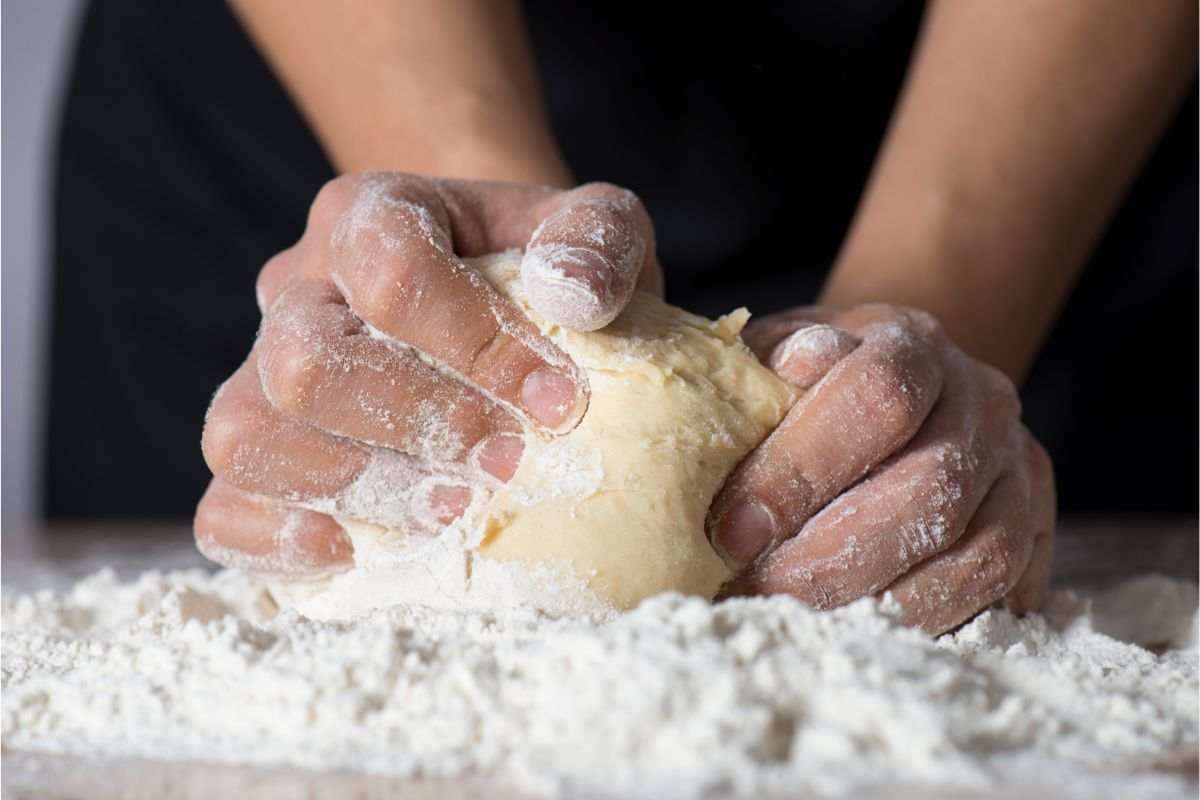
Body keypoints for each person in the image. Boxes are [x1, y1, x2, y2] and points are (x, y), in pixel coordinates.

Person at [47, 2, 1197, 632]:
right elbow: (463, 290)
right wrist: (474, 265)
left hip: (1033, 128)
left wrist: (922, 342)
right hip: (338, 85)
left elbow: (911, 402)